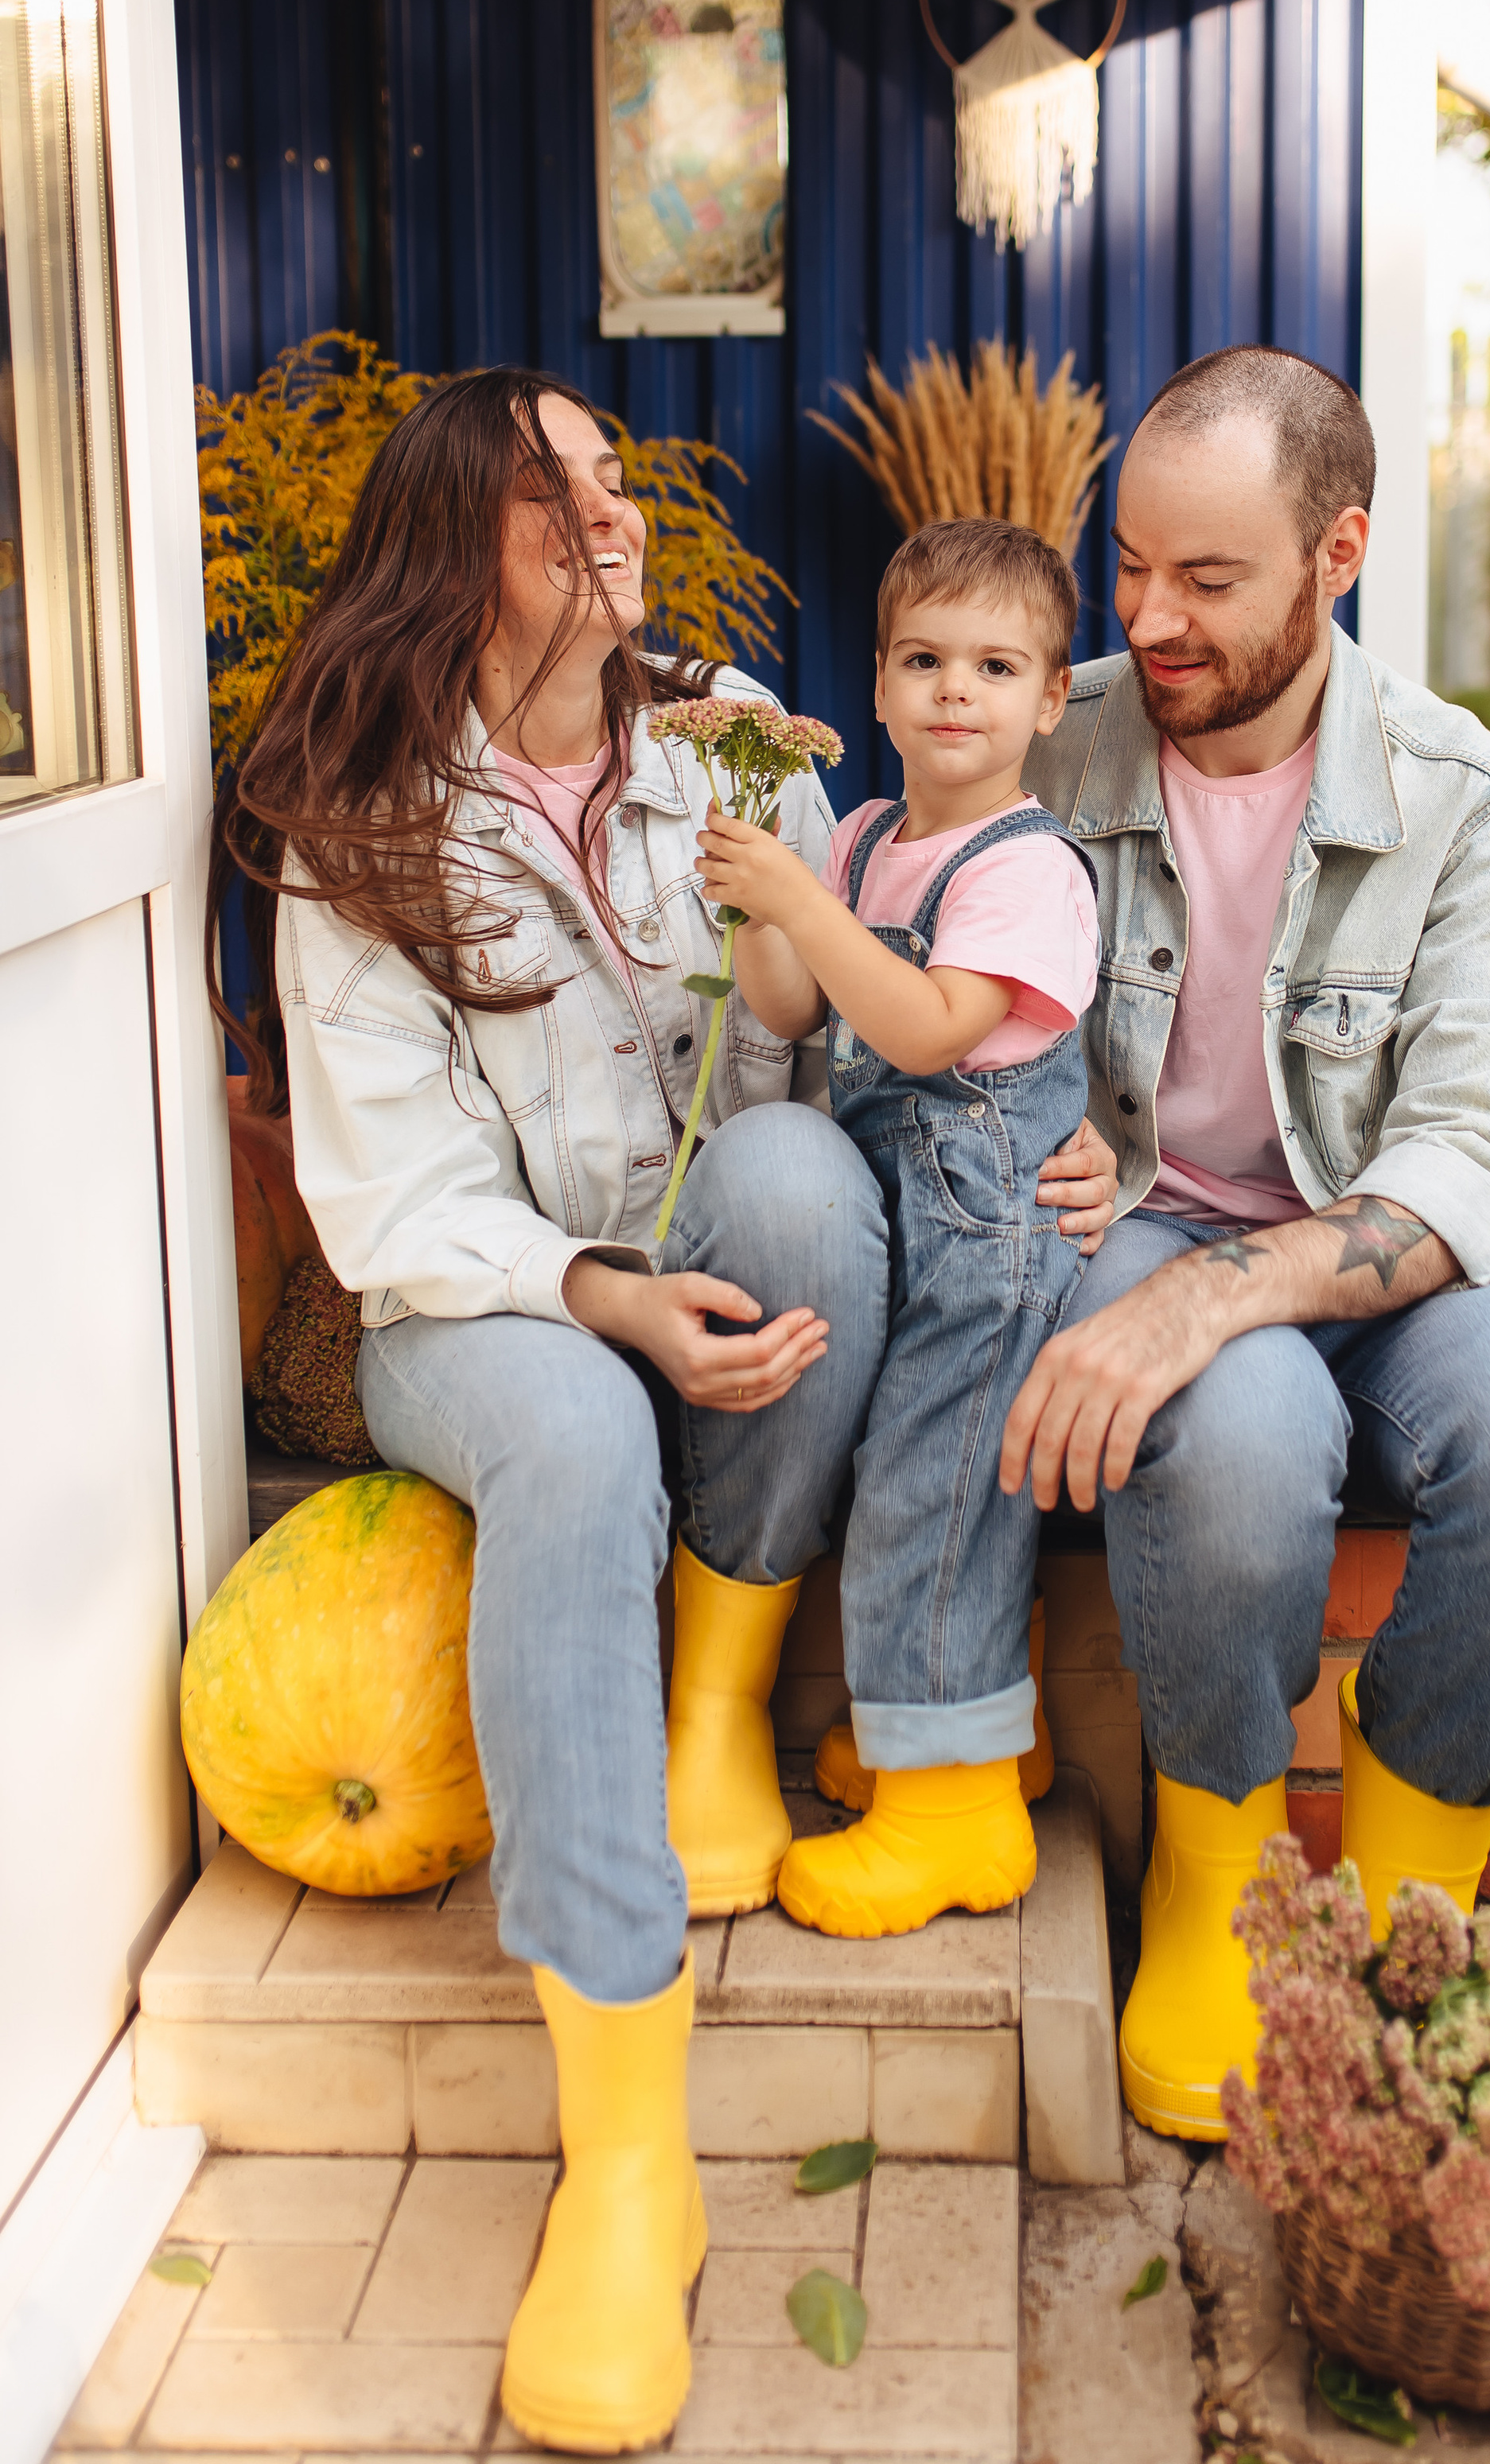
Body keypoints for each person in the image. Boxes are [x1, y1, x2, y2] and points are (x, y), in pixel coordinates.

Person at [208, 371, 1115, 2453]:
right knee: (580, 1434)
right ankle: (629, 2157)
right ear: (462, 547)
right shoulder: (357, 816)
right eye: (562, 498)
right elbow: (394, 1207)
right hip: (485, 1303)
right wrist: (600, 1294)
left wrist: (1095, 1157)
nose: (615, 521)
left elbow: (881, 1046)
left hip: (722, 1245)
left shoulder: (735, 751)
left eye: (620, 483)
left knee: (795, 1180)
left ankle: (723, 1713)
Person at [1002, 343, 1490, 2142]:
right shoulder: (1047, 747)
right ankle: (1215, 1884)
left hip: (1393, 1258)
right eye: (1127, 564)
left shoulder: (1463, 796)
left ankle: (1394, 1884)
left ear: (1336, 552)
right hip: (1144, 1219)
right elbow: (898, 954)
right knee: (1229, 1439)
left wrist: (1230, 1292)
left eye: (1207, 578)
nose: (1149, 616)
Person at [695, 517, 1102, 1937]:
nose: (954, 692)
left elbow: (929, 1032)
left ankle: (955, 1816)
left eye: (995, 666)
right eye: (924, 660)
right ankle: (971, 1729)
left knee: (937, 1488)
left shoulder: (1026, 868)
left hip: (994, 1239)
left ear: (1051, 700)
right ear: (875, 685)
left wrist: (802, 897)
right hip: (910, 1222)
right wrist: (759, 903)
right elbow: (795, 1011)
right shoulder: (863, 836)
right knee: (904, 1474)